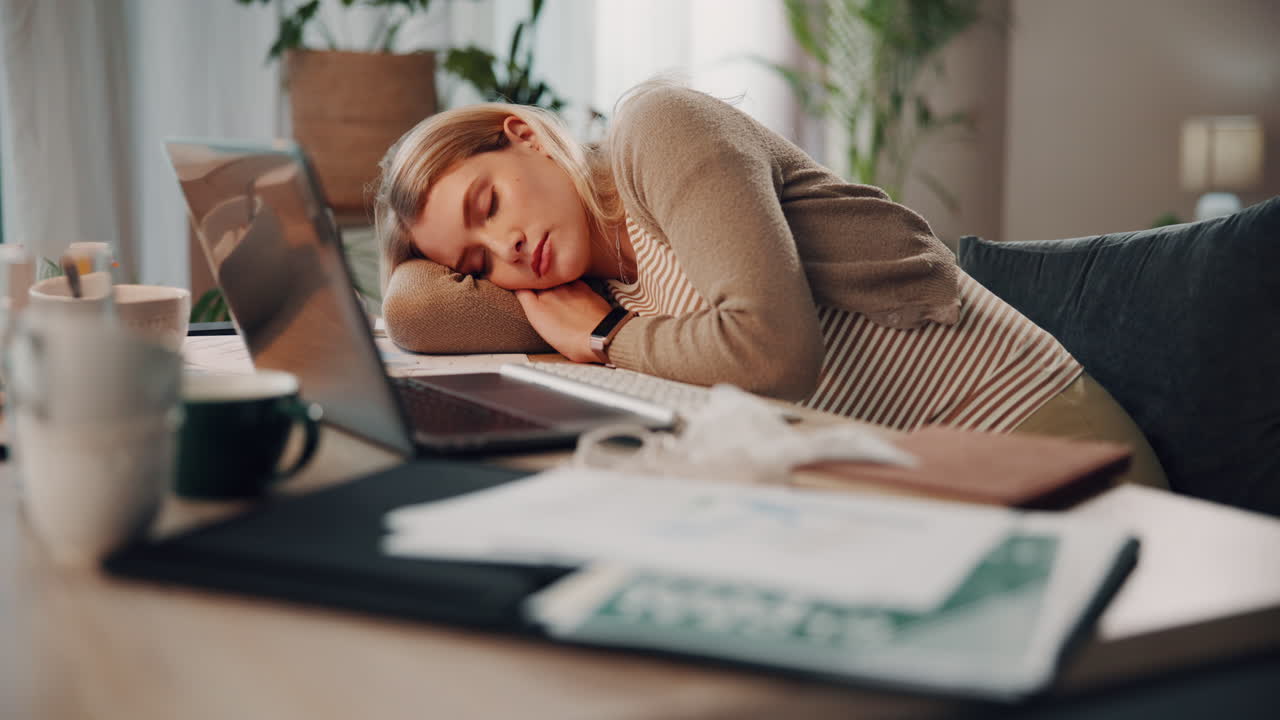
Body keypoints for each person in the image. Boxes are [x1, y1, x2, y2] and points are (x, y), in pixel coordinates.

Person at [373, 81, 1167, 488]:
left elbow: (771, 353)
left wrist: (605, 340)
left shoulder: (661, 130)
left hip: (1037, 444)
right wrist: (587, 323)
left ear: (525, 137)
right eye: (475, 263)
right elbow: (412, 310)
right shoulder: (580, 285)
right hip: (912, 478)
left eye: (489, 204)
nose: (503, 247)